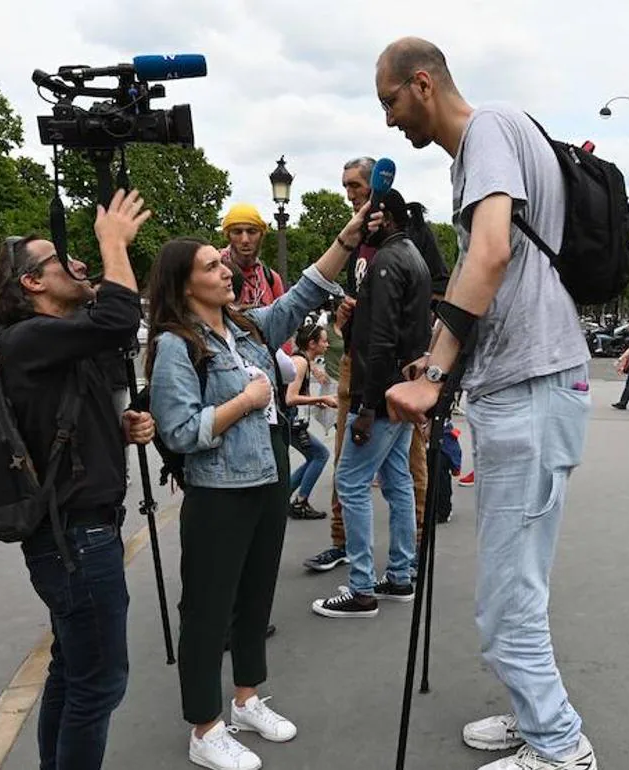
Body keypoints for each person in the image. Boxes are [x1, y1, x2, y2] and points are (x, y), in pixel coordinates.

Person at [378, 37, 597, 770]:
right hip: (533, 382)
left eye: (391, 101)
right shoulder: (503, 133)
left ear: (422, 84)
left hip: (531, 388)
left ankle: (560, 746)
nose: (390, 121)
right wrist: (446, 349)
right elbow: (500, 274)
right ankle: (535, 719)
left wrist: (434, 374)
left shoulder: (487, 133)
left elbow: (492, 252)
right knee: (514, 584)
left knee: (506, 596)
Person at [146, 205, 366, 770]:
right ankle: (205, 727)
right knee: (207, 610)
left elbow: (302, 293)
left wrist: (348, 235)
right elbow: (178, 429)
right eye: (211, 265)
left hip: (267, 478)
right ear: (183, 283)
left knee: (254, 598)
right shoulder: (178, 344)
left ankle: (245, 699)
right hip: (218, 489)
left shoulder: (245, 328)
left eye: (222, 263)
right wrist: (244, 402)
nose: (225, 268)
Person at [0, 190, 157, 769]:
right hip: (76, 541)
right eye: (60, 262)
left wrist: (118, 425)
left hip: (76, 535)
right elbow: (121, 316)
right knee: (99, 684)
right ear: (32, 283)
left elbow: (83, 388)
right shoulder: (26, 338)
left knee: (72, 669)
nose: (76, 265)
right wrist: (112, 245)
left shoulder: (50, 345)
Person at [303, 158, 447, 574]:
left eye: (355, 186)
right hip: (360, 357)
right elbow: (365, 303)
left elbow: (431, 295)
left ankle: (395, 561)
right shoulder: (357, 240)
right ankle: (371, 554)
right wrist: (349, 311)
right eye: (345, 186)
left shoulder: (400, 241)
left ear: (377, 191)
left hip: (390, 368)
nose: (349, 195)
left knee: (386, 466)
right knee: (365, 460)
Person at [286, 323, 337, 519]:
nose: (327, 345)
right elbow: (290, 398)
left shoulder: (304, 361)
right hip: (289, 422)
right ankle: (300, 502)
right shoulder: (301, 362)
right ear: (312, 343)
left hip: (292, 422)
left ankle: (287, 498)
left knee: (315, 455)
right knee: (321, 454)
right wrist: (320, 399)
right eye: (323, 341)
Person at [221, 203, 286, 310]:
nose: (245, 240)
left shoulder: (272, 279)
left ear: (261, 235)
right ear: (228, 236)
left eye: (252, 232)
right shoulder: (214, 271)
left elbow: (281, 321)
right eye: (237, 232)